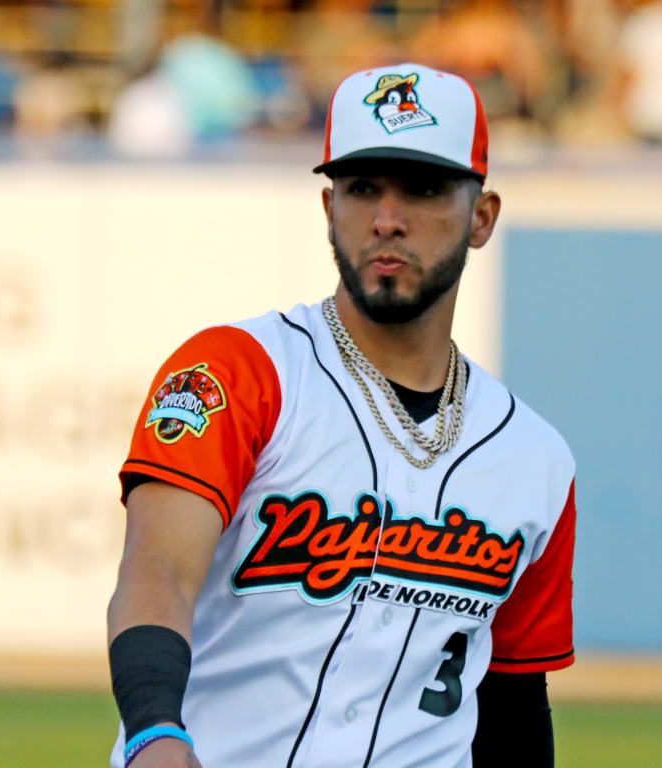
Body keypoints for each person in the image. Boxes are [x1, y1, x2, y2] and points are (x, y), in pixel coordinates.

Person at [105, 63, 577, 768]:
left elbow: (510, 699)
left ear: (481, 217)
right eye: (361, 189)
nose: (387, 218)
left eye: (421, 189)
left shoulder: (535, 459)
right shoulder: (241, 372)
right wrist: (153, 731)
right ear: (329, 210)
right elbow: (156, 570)